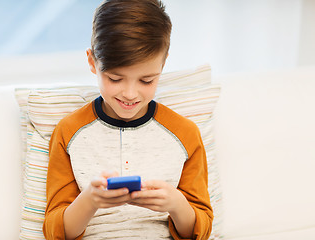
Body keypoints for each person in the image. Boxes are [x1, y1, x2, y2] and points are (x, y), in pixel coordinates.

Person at [43, 0, 213, 239]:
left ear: (162, 65)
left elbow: (200, 231)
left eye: (146, 80)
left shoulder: (185, 133)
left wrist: (176, 203)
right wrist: (89, 201)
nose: (130, 94)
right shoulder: (69, 132)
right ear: (92, 62)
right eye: (115, 78)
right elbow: (55, 232)